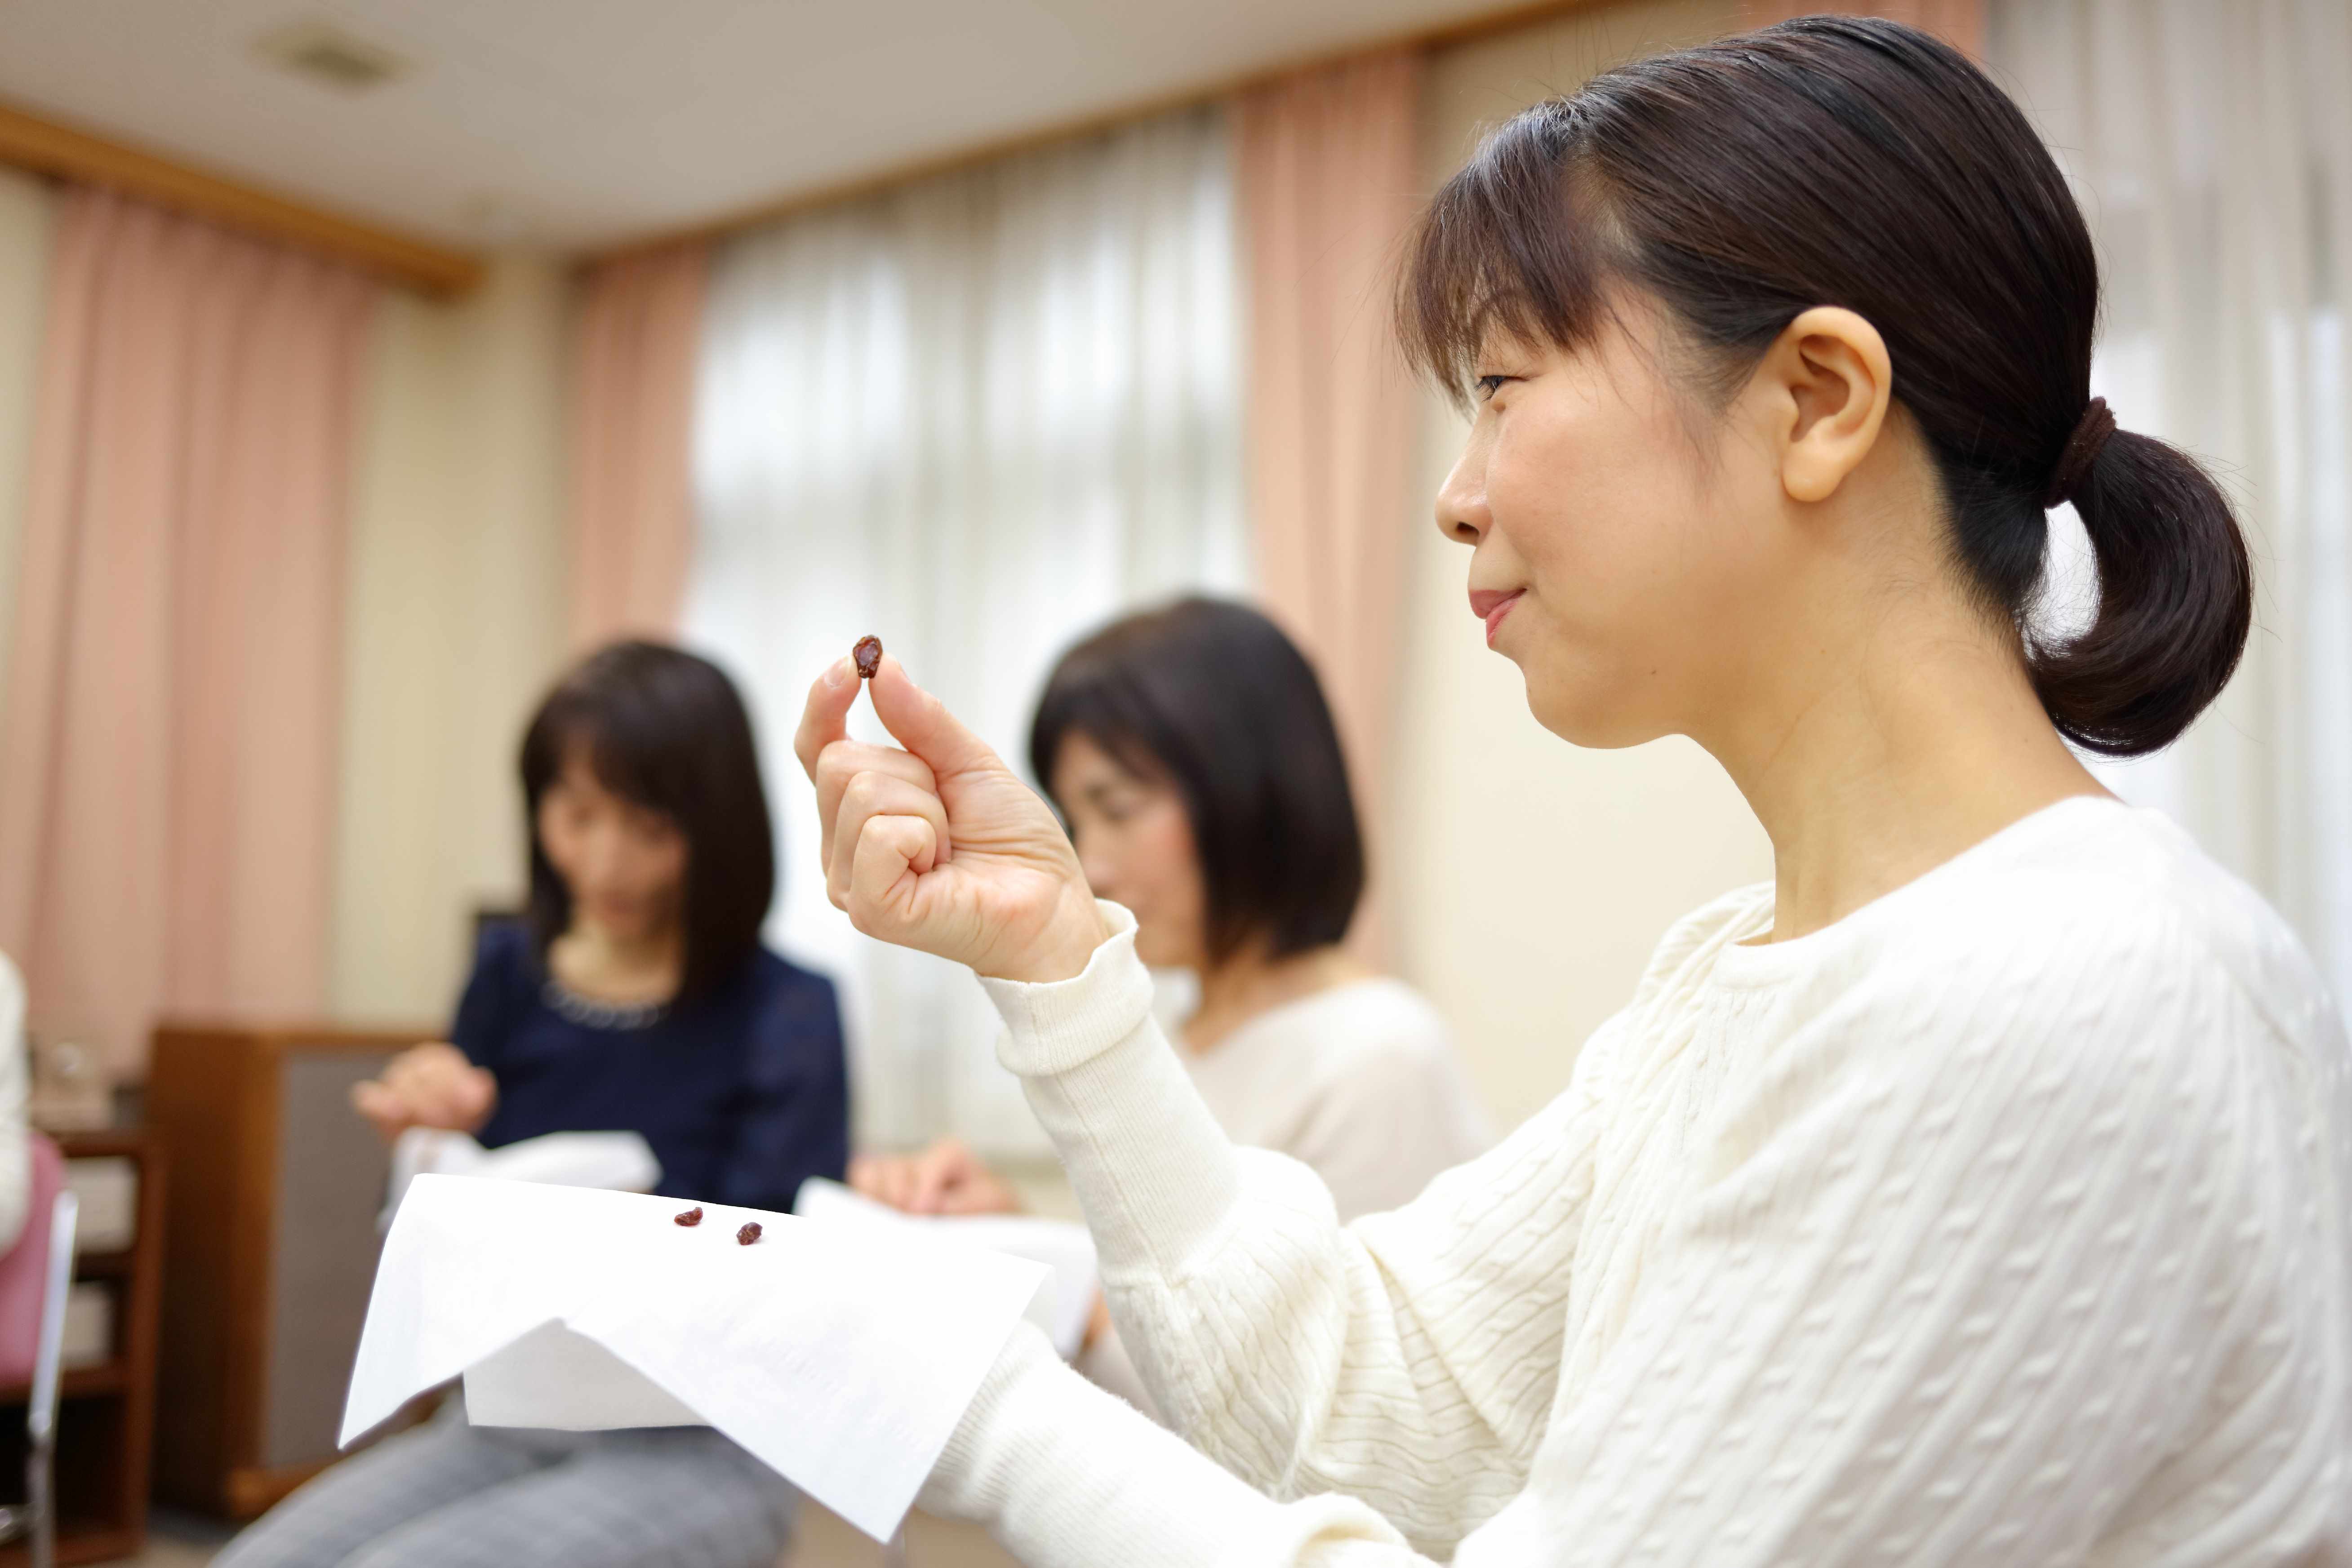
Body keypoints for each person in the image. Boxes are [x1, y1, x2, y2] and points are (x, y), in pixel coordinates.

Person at [795, 18, 2351, 1567]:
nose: (1455, 493)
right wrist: (1060, 958)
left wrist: (979, 1409)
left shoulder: (2049, 993)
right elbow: (1356, 1403)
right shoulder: (1737, 974)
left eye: (1500, 383)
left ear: (1816, 400)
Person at [220, 641, 847, 1568]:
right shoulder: (509, 973)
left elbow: (771, 1273)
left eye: (648, 824)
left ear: (716, 827)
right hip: (497, 1413)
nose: (605, 860)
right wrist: (426, 1130)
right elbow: (426, 1231)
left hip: (699, 1441)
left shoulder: (786, 1010)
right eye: (577, 813)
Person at [847, 600, 1490, 1404]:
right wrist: (1013, 1228)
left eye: (1116, 809)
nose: (1092, 864)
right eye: (1074, 818)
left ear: (1249, 789)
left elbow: (1315, 1415)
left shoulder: (1380, 1056)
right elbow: (1168, 1275)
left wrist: (1057, 1293)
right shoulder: (1175, 1031)